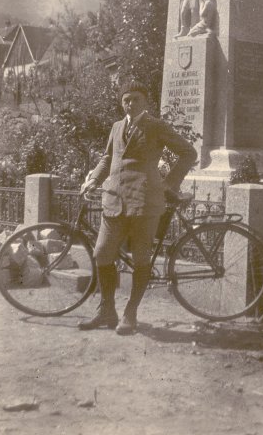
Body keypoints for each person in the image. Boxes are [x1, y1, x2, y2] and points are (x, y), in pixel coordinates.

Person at [79, 80, 197, 335]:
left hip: (145, 203)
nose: (130, 103)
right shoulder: (116, 127)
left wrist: (168, 184)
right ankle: (106, 311)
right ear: (122, 103)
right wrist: (93, 180)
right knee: (102, 254)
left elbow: (188, 153)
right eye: (126, 100)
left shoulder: (156, 126)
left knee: (141, 258)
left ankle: (130, 313)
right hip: (114, 200)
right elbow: (108, 157)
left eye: (135, 99)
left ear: (145, 102)